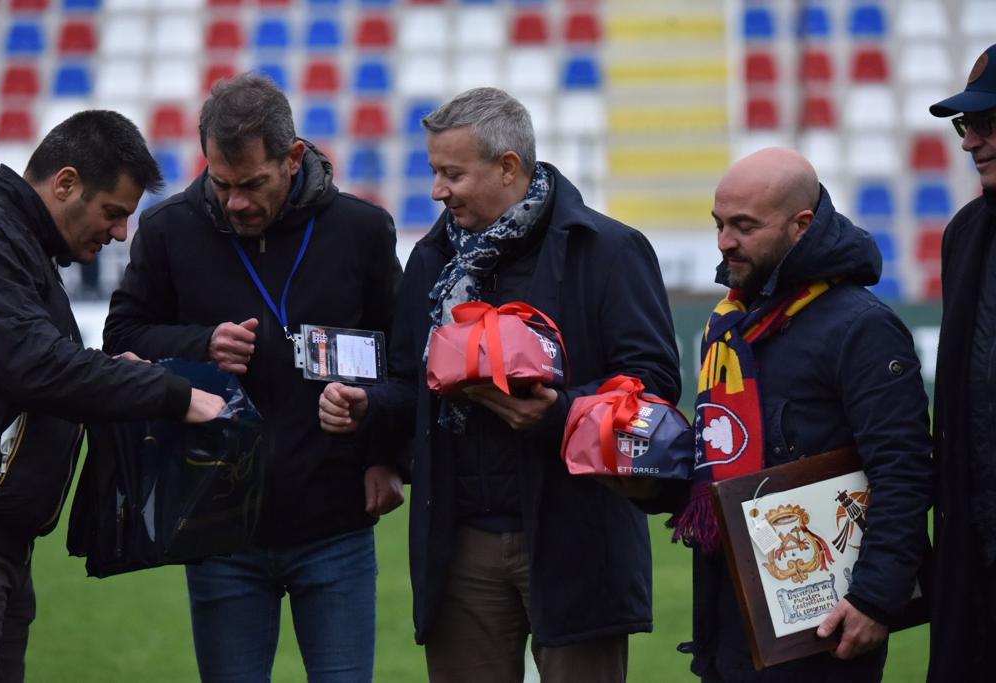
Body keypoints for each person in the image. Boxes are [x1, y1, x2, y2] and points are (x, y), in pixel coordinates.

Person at [320, 86, 681, 682]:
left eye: (452, 174)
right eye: (435, 172)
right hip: (461, 542)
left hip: (576, 535)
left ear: (508, 166)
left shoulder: (608, 250)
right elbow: (409, 380)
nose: (437, 191)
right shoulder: (433, 259)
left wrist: (557, 415)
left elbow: (654, 384)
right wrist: (369, 406)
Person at [102, 73, 404, 682]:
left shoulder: (361, 231)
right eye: (221, 183)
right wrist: (199, 343)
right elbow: (122, 337)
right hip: (218, 526)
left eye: (252, 184)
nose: (235, 202)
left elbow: (400, 359)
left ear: (293, 158)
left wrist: (388, 456)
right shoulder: (169, 231)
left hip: (335, 522)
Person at [0, 110, 225, 682]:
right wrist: (169, 393)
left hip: (2, 548)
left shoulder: (19, 243)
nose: (120, 234)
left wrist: (113, 372)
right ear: (65, 183)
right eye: (113, 212)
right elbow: (36, 366)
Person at [673, 147, 932, 682]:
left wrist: (875, 598)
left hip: (825, 627)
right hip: (732, 617)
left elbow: (903, 471)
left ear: (801, 225)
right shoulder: (730, 323)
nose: (724, 241)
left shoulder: (862, 327)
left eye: (744, 226)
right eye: (719, 224)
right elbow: (720, 460)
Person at [927, 42, 996, 680]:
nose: (972, 141)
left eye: (989, 123)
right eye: (966, 125)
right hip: (973, 559)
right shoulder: (966, 233)